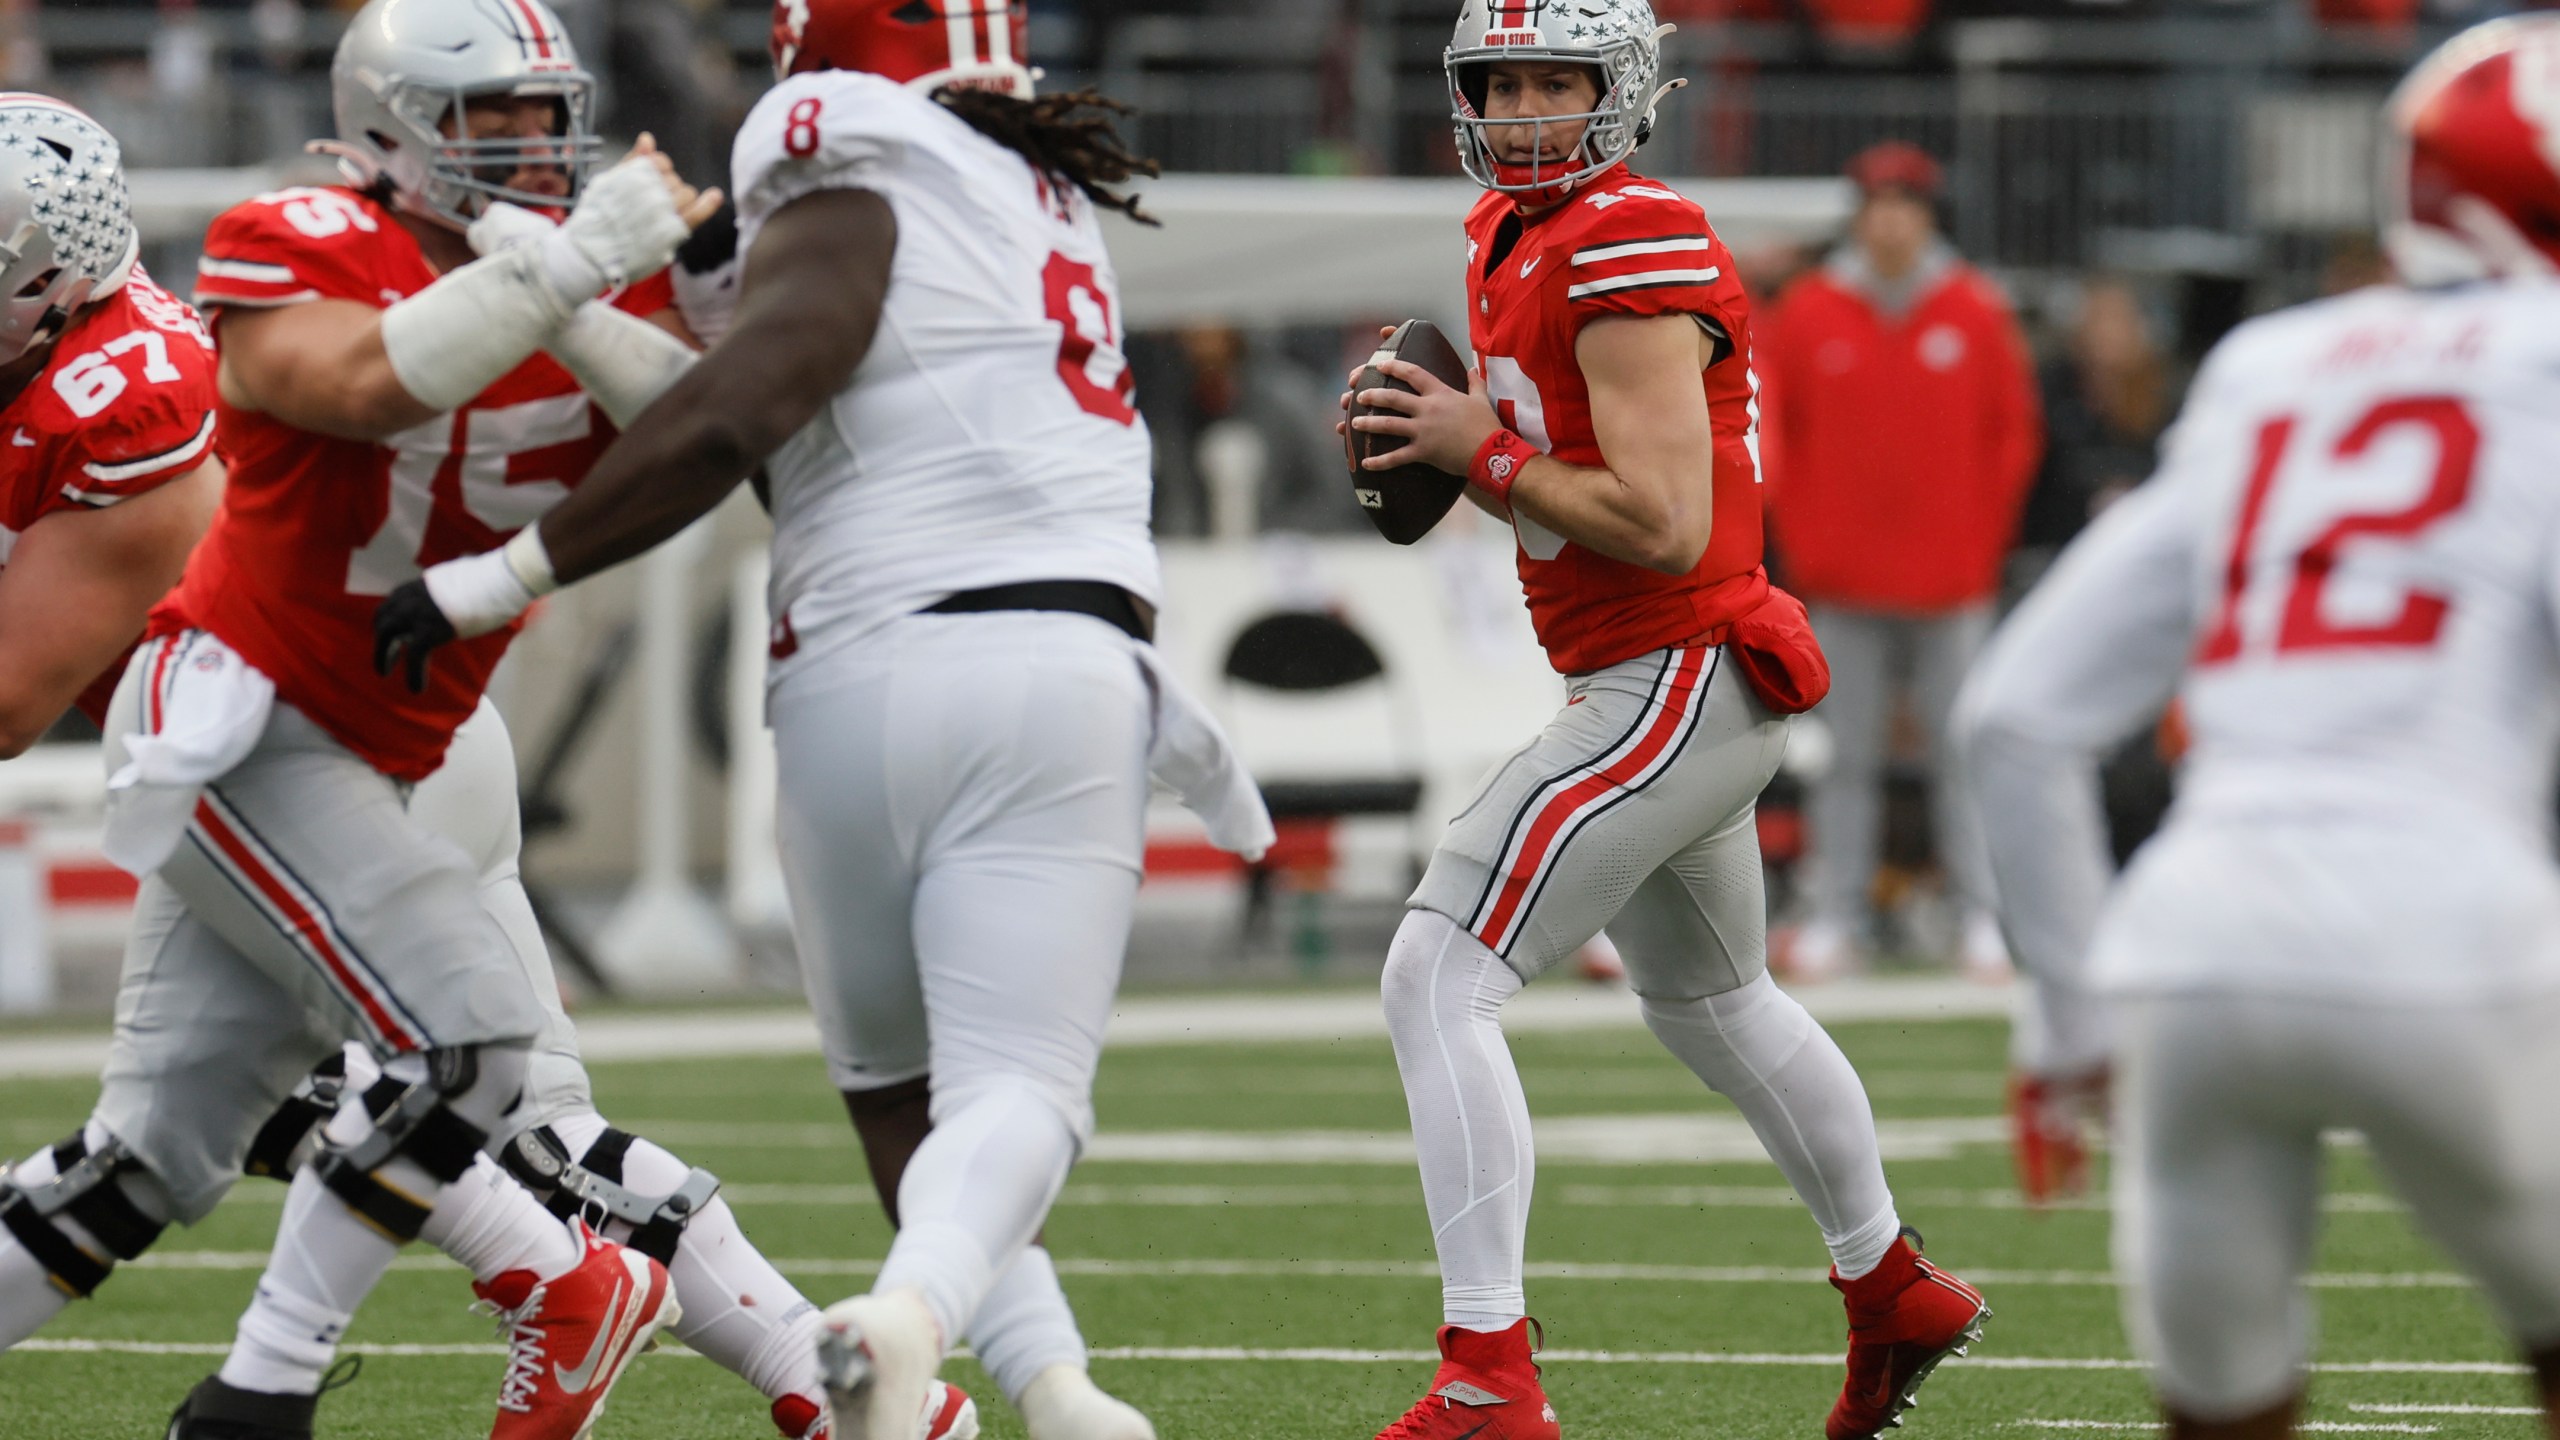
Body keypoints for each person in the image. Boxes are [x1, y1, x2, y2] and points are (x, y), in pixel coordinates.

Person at [366, 1, 1272, 1438]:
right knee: (1021, 1093)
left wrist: (504, 573)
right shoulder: (1038, 189)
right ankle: (907, 1327)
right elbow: (764, 406)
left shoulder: (841, 133)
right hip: (1047, 658)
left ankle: (1050, 1389)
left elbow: (752, 407)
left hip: (849, 673)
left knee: (897, 1097)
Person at [0, 8, 773, 1440]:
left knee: (452, 1083)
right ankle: (842, 1393)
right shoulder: (344, 251)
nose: (537, 155)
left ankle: (334, 1360)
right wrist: (567, 272)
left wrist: (594, 279)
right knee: (197, 1141)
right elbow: (402, 372)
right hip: (331, 728)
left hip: (297, 734)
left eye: (546, 120)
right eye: (498, 123)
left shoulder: (131, 384)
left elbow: (6, 699)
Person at [1336, 5, 1985, 1438]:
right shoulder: (1512, 233)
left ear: (1617, 89)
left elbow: (1659, 516)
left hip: (1675, 670)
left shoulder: (1628, 231)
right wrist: (1451, 439)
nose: (1520, 112)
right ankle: (1893, 1286)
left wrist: (1476, 447)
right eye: (1497, 84)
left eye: (1552, 82)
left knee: (1433, 974)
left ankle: (1488, 1375)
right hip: (1661, 677)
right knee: (1711, 1001)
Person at [1954, 16, 2560, 1435]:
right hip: (2453, 925)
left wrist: (2066, 1028)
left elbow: (2017, 713)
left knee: (2225, 1412)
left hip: (2194, 943)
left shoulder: (2272, 365)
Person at [1759, 139, 2042, 981]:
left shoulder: (1976, 311)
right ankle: (1838, 913)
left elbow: (2013, 438)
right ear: (1861, 216)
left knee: (1962, 754)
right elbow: (1781, 434)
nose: (1891, 223)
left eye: (1907, 207)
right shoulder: (1809, 312)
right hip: (1843, 580)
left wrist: (1980, 541)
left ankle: (1981, 915)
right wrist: (1808, 542)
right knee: (1846, 758)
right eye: (1879, 207)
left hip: (1951, 579)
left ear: (1926, 218)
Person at [0, 95, 221, 760]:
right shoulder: (35, 345)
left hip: (316, 761)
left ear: (41, 283)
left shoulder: (124, 412)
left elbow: (7, 707)